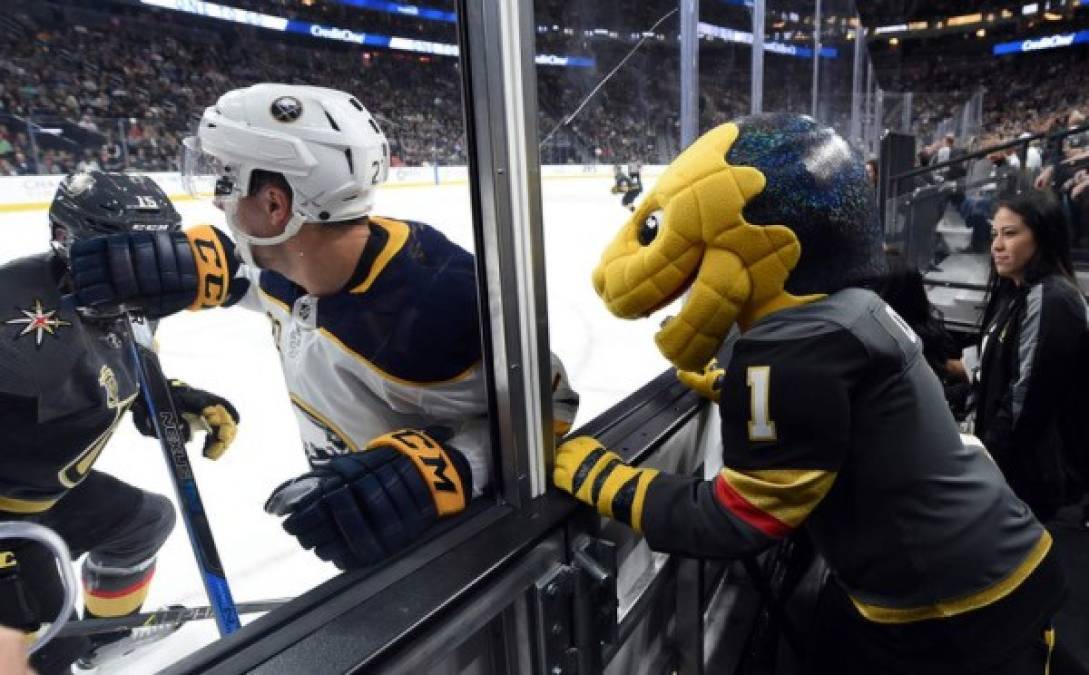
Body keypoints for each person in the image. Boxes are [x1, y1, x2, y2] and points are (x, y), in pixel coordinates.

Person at [554, 114, 1079, 673]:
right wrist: (733, 388)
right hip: (993, 562)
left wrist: (600, 476)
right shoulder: (851, 307)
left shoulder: (792, 350)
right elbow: (834, 408)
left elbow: (742, 515)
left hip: (961, 607)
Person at [67, 84, 579, 572]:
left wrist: (458, 466)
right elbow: (270, 287)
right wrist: (205, 271)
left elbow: (550, 404)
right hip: (366, 531)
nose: (215, 200)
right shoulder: (290, 264)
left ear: (275, 205)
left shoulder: (440, 302)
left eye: (226, 180)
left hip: (458, 552)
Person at [0, 171, 240, 673]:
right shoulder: (12, 307)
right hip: (7, 518)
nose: (149, 266)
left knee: (143, 521)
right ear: (68, 240)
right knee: (42, 651)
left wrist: (168, 399)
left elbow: (105, 372)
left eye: (160, 246)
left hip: (49, 496)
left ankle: (104, 634)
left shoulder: (131, 305)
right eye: (129, 250)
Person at [974, 190, 1089, 523]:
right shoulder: (1014, 290)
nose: (996, 245)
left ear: (1042, 237)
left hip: (1031, 477)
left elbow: (1026, 399)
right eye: (994, 234)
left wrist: (983, 459)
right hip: (1009, 469)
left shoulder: (1051, 299)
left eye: (1010, 234)